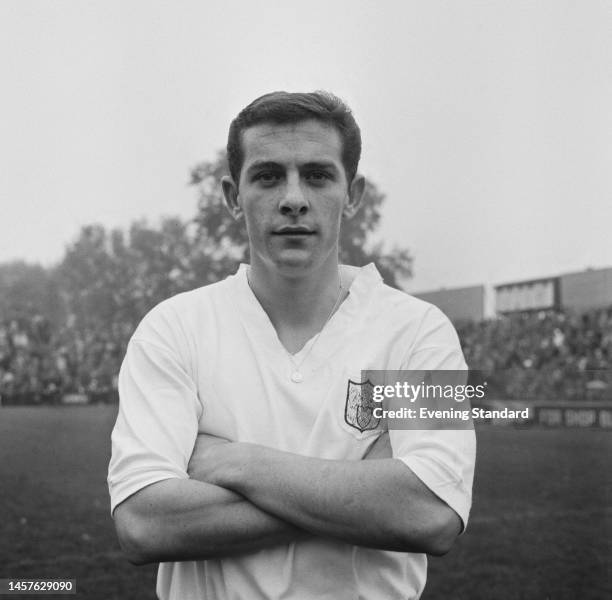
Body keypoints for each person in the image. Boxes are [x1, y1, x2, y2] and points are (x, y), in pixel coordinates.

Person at [108, 90, 476, 600]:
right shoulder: (171, 328)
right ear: (232, 196)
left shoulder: (422, 332)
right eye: (268, 176)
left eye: (319, 175)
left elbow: (432, 514)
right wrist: (363, 492)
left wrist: (233, 462)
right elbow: (143, 525)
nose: (294, 197)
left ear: (353, 194)